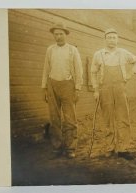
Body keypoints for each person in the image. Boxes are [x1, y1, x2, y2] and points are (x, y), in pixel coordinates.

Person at [91, 28, 136, 160]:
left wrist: (131, 74)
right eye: (109, 37)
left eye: (114, 37)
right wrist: (96, 90)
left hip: (120, 88)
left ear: (117, 39)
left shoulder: (123, 53)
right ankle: (110, 148)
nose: (112, 40)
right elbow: (93, 72)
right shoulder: (99, 54)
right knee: (108, 119)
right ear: (105, 39)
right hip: (104, 89)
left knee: (123, 118)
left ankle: (123, 149)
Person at [41, 22, 83, 159]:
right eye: (56, 34)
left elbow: (79, 70)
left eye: (61, 34)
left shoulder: (72, 50)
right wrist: (44, 88)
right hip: (52, 84)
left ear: (65, 35)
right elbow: (46, 69)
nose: (58, 36)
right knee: (54, 118)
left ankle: (70, 147)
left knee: (70, 118)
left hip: (68, 85)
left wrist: (77, 87)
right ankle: (57, 146)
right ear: (53, 35)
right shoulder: (50, 50)